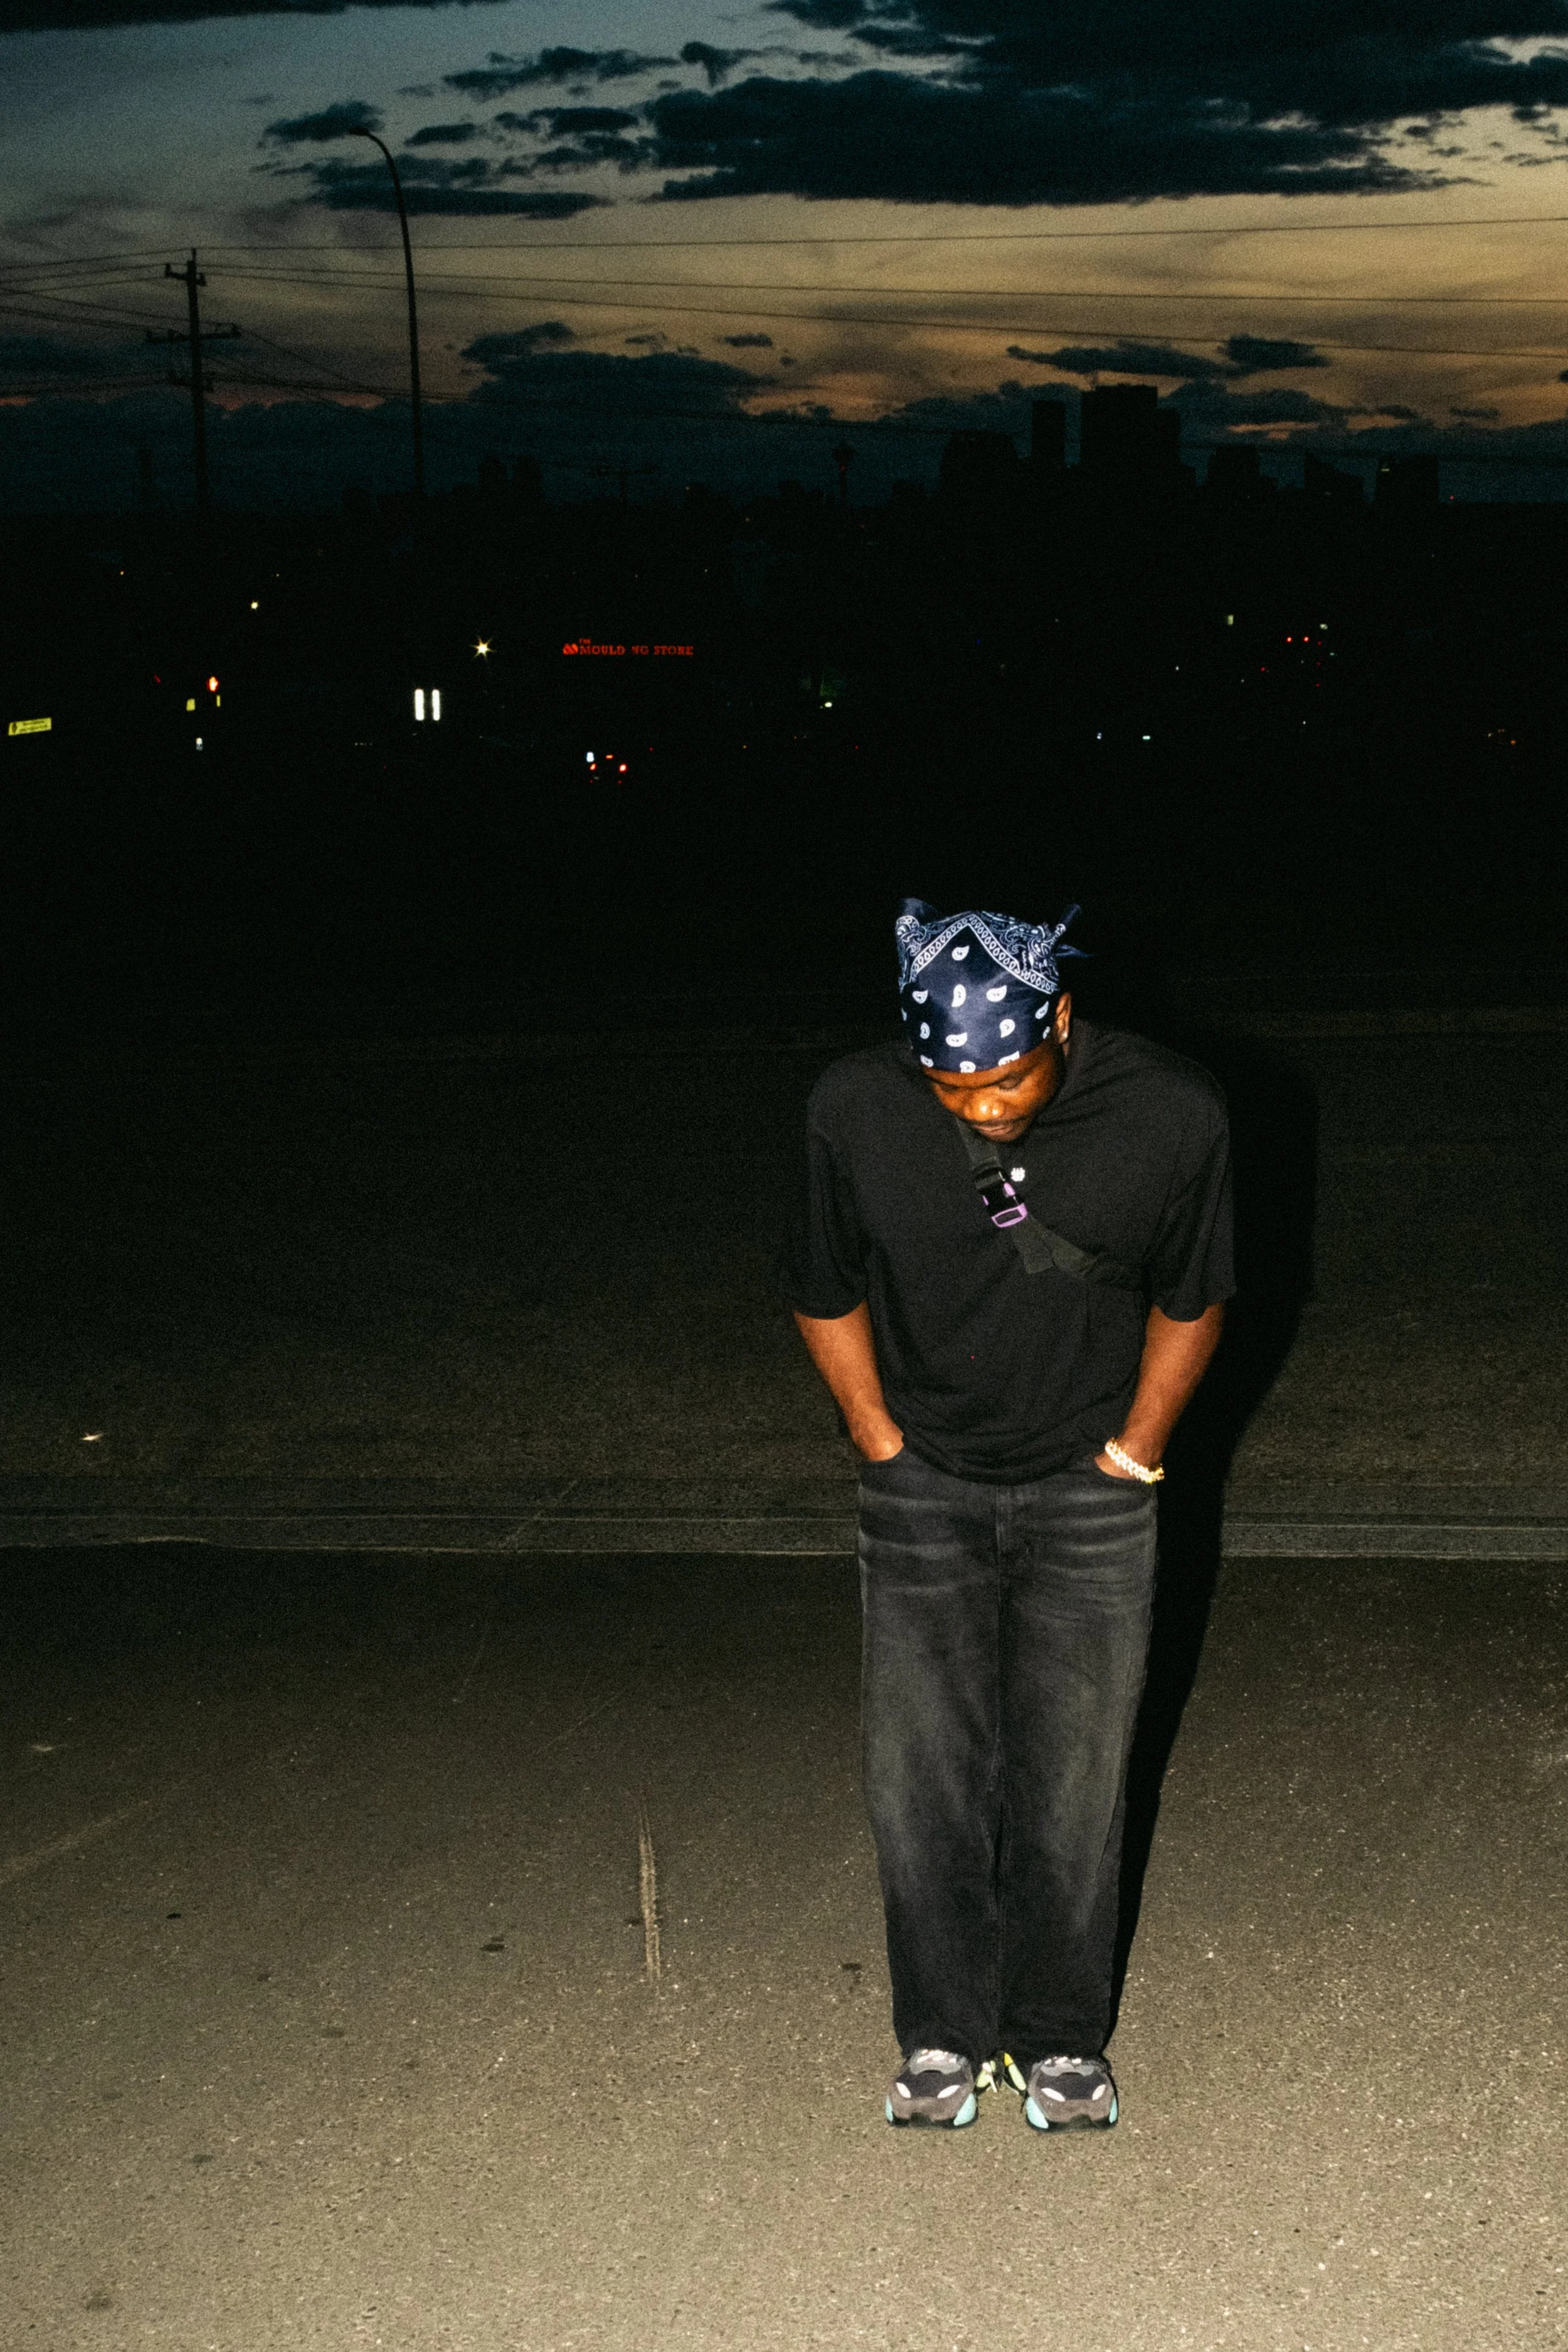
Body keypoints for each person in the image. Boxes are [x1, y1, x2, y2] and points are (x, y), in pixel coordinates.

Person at [778, 898, 1232, 2133]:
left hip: (1091, 1490)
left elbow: (1193, 1296)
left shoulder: (1170, 1111)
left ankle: (1057, 2040)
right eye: (953, 1082)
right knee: (917, 1776)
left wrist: (1136, 1454)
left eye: (1007, 1075)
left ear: (1062, 1019)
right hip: (920, 1480)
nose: (980, 1104)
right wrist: (877, 1443)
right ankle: (940, 2037)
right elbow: (821, 1288)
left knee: (1074, 1780)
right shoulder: (854, 1109)